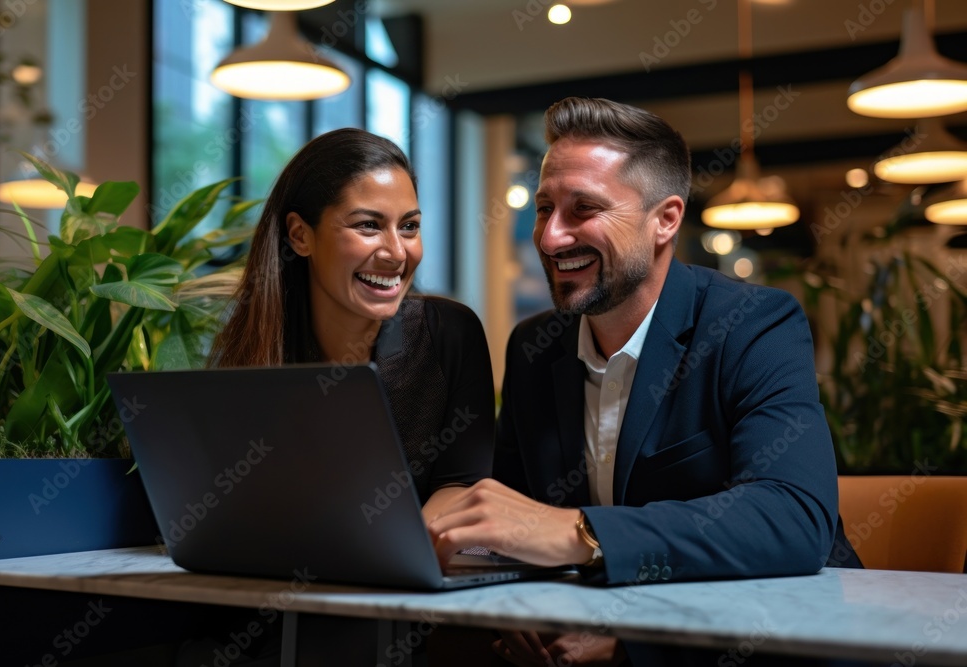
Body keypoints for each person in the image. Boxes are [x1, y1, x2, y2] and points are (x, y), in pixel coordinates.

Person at [427, 97, 860, 666]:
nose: (551, 238)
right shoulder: (535, 348)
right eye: (543, 208)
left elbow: (792, 519)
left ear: (666, 219)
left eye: (584, 208)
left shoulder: (753, 325)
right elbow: (517, 516)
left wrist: (580, 534)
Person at [206, 128, 495, 666]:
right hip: (264, 612)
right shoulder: (256, 343)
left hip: (403, 610)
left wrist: (380, 549)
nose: (396, 252)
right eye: (368, 226)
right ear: (300, 235)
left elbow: (463, 483)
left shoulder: (449, 333)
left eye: (409, 227)